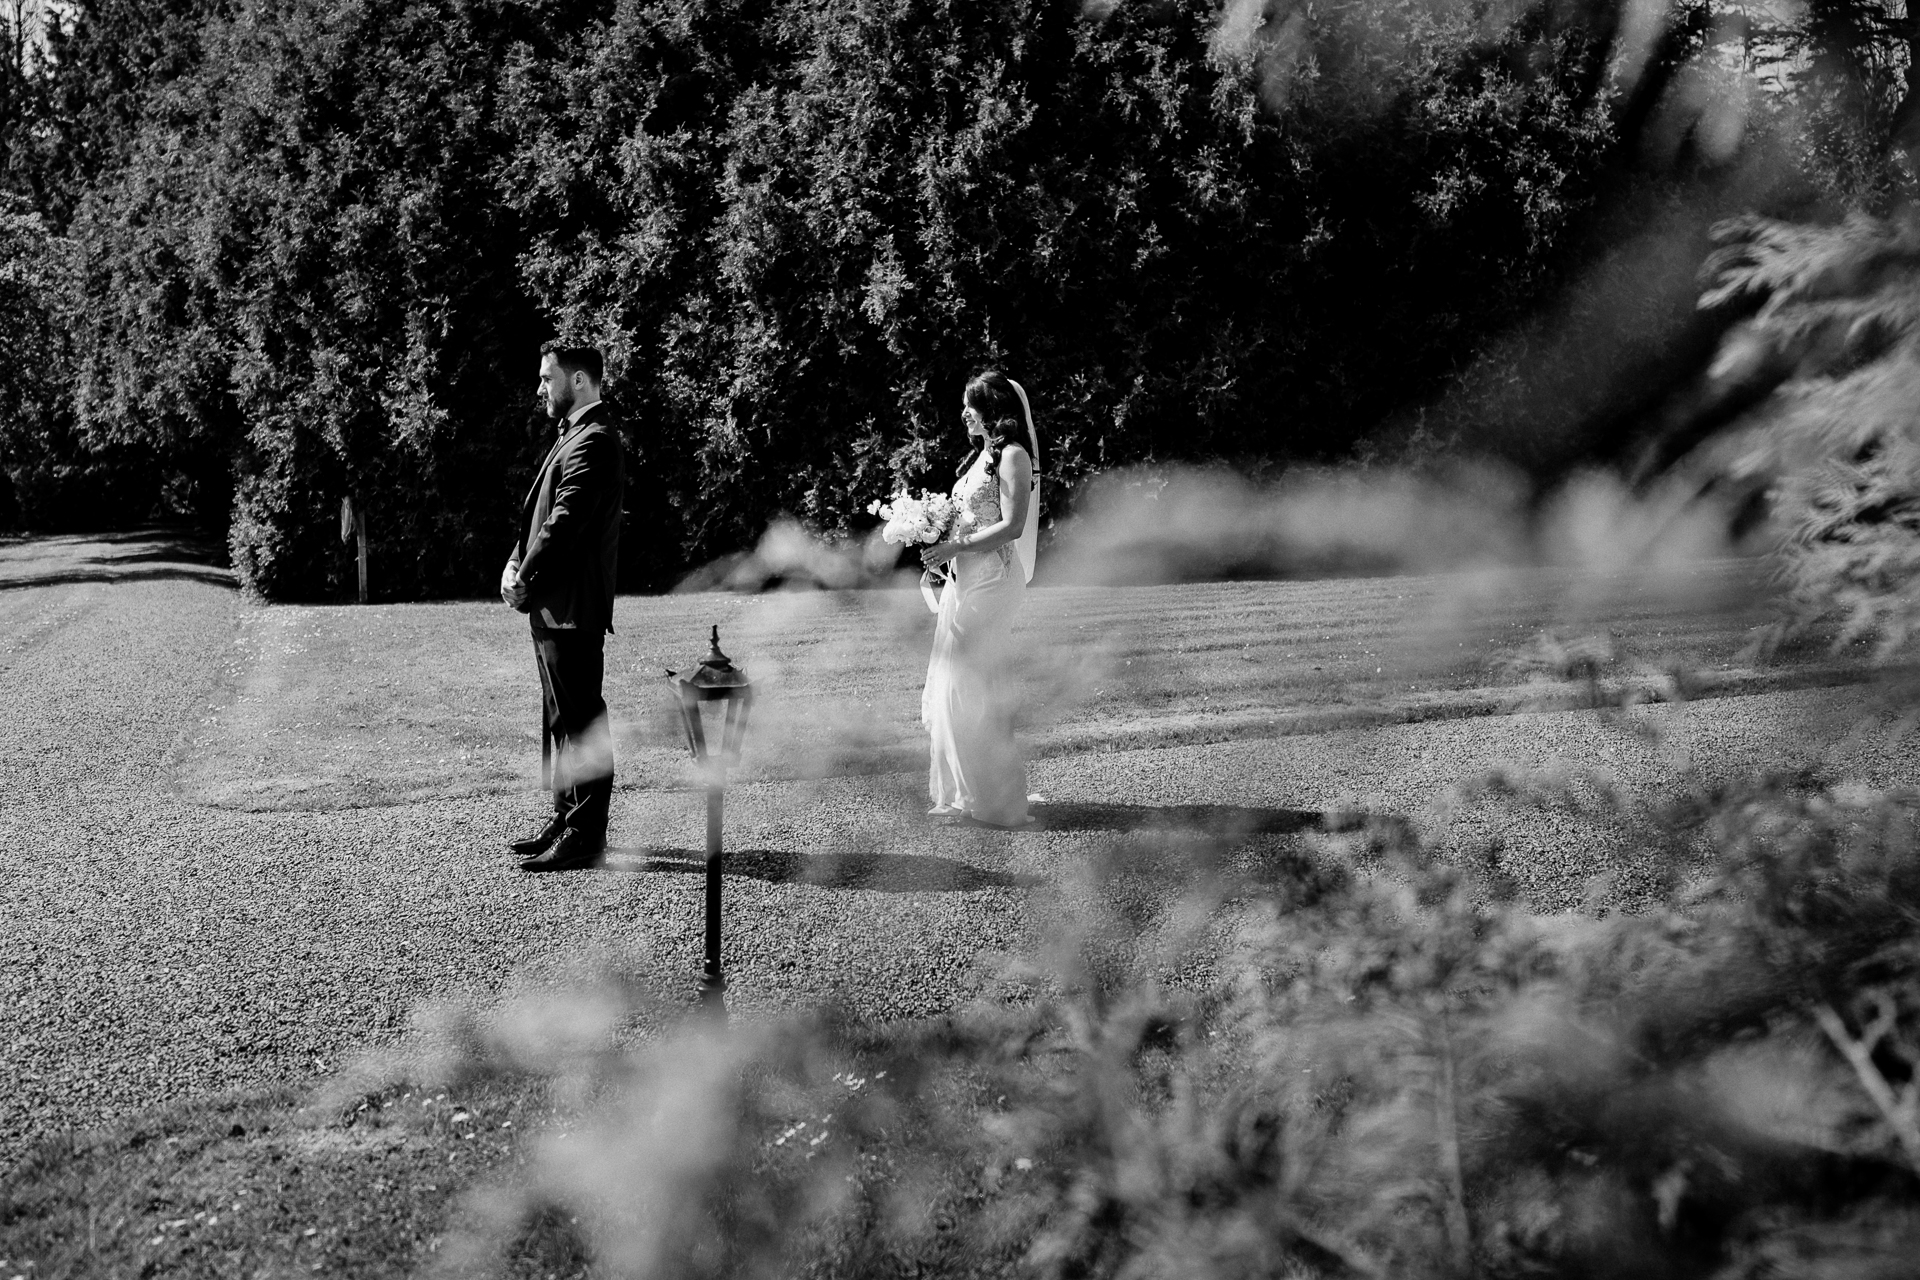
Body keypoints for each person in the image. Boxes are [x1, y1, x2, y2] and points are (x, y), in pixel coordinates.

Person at [501, 345, 626, 871]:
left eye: (546, 377)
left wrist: (525, 578)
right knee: (558, 718)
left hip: (572, 605)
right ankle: (565, 816)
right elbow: (537, 515)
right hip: (553, 604)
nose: (539, 388)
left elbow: (566, 524)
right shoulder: (574, 435)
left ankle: (586, 835)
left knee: (580, 720)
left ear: (578, 380)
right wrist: (513, 563)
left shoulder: (594, 439)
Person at [917, 370, 1041, 829]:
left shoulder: (1013, 457)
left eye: (971, 404)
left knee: (970, 686)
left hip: (993, 581)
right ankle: (966, 794)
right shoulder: (980, 459)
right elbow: (967, 520)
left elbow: (1011, 526)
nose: (963, 412)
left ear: (992, 410)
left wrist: (954, 548)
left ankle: (997, 801)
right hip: (963, 579)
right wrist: (936, 546)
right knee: (954, 685)